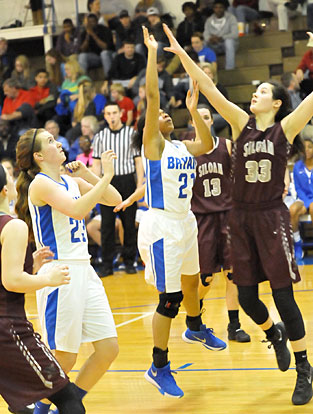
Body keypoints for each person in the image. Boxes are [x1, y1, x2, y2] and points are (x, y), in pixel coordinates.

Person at [163, 23, 313, 405]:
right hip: (239, 218)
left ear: (277, 103)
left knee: (284, 297)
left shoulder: (286, 128)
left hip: (271, 217)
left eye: (263, 91)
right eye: (256, 90)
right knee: (246, 299)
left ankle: (304, 369)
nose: (255, 94)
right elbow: (209, 88)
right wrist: (182, 55)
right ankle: (273, 333)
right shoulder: (238, 123)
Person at [138, 26, 226, 399]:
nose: (165, 116)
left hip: (185, 222)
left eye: (169, 115)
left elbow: (206, 143)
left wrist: (194, 111)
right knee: (169, 299)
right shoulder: (154, 145)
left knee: (193, 281)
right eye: (161, 116)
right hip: (160, 227)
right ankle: (159, 365)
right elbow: (154, 97)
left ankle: (195, 326)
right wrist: (153, 54)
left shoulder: (180, 146)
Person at [15, 128, 121, 414]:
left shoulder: (71, 181)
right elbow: (76, 210)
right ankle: (41, 408)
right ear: (38, 156)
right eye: (50, 141)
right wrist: (107, 175)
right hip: (59, 274)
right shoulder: (40, 183)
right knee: (65, 356)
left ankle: (65, 404)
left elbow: (113, 199)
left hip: (84, 270)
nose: (58, 143)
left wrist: (89, 175)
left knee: (109, 348)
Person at [0, 163, 86, 414]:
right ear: (5, 190)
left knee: (22, 408)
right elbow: (12, 281)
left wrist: (30, 263)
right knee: (69, 400)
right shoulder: (13, 225)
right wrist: (48, 279)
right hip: (8, 328)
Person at [187, 105, 250, 342]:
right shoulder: (186, 151)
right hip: (201, 218)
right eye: (197, 118)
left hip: (227, 215)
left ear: (211, 121)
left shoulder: (226, 145)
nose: (202, 121)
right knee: (205, 278)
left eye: (206, 117)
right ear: (192, 123)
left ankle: (234, 325)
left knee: (232, 274)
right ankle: (195, 313)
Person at [92, 103, 144, 277]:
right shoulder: (100, 136)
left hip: (127, 180)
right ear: (104, 116)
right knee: (107, 225)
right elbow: (97, 164)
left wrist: (139, 184)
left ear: (121, 114)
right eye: (108, 113)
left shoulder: (131, 133)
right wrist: (96, 186)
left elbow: (138, 161)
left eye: (115, 112)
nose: (112, 116)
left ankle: (130, 261)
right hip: (108, 182)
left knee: (129, 224)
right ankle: (107, 264)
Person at [203, 0, 238, 70]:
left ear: (224, 8)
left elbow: (235, 34)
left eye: (220, 7)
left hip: (227, 45)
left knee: (229, 41)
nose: (218, 10)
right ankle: (208, 70)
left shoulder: (231, 18)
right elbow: (205, 34)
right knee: (204, 43)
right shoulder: (209, 20)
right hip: (214, 45)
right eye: (216, 7)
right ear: (213, 9)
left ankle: (229, 69)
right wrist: (210, 39)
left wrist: (221, 38)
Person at [78, 13, 115, 78]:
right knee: (82, 56)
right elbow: (82, 50)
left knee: (104, 54)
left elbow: (105, 47)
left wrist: (93, 35)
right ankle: (83, 80)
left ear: (97, 22)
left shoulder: (105, 30)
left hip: (108, 55)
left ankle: (108, 79)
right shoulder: (85, 32)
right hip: (95, 57)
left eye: (93, 22)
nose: (91, 24)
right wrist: (87, 36)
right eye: (89, 22)